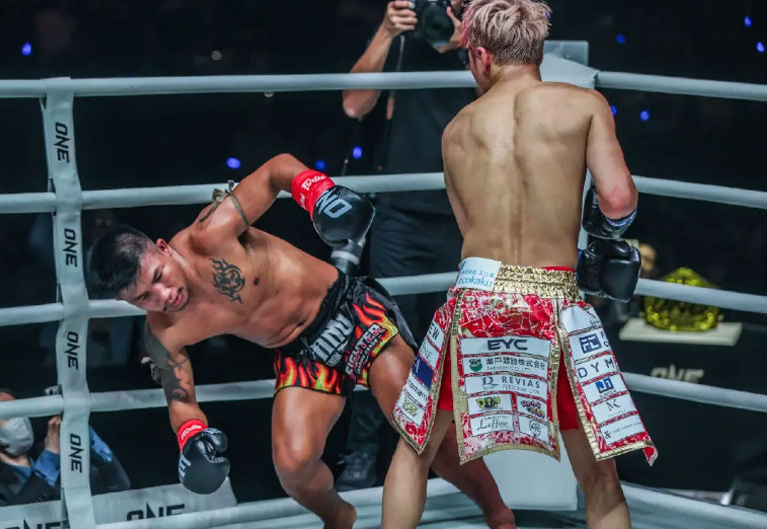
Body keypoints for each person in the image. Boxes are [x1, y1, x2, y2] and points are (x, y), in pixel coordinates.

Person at [88, 153, 514, 529]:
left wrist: (317, 193)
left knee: (418, 425)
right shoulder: (164, 331)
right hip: (301, 355)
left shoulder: (210, 235)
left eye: (158, 277)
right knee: (292, 465)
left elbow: (276, 169)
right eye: (144, 298)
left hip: (350, 313)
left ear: (164, 249)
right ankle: (338, 518)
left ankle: (498, 514)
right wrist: (191, 437)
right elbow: (180, 399)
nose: (163, 296)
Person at [382, 1, 657, 528]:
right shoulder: (584, 105)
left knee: (414, 450)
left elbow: (469, 227)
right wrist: (597, 240)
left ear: (481, 55)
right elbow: (618, 200)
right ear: (536, 49)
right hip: (553, 300)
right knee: (599, 475)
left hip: (475, 299)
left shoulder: (457, 129)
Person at [339, 0, 473, 489]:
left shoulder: (489, 33)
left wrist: (468, 44)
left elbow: (513, 101)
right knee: (383, 334)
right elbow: (354, 104)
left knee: (452, 342)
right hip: (400, 211)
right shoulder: (405, 38)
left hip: (467, 212)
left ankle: (445, 460)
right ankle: (361, 455)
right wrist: (385, 31)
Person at [0, 388, 129, 507]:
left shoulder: (63, 456)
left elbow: (119, 487)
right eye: (7, 414)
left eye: (19, 409)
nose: (19, 419)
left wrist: (82, 430)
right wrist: (50, 457)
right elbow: (18, 518)